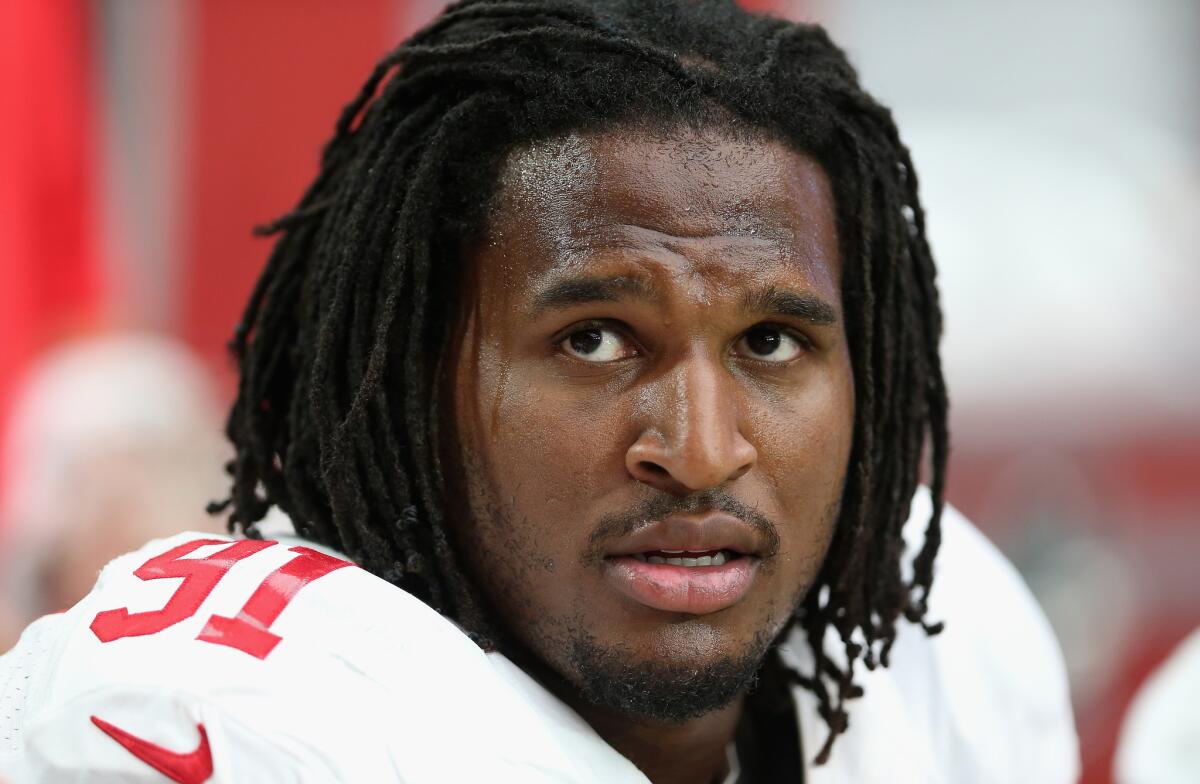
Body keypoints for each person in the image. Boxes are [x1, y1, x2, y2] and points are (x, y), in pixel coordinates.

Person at [0, 1, 1079, 781]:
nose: (700, 451)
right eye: (596, 339)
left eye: (770, 340)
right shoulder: (249, 713)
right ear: (418, 379)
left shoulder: (940, 638)